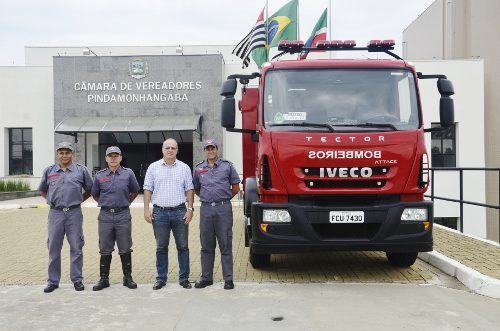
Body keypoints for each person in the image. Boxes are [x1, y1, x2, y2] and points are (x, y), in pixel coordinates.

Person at [38, 141, 93, 293]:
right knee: (53, 247)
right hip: (55, 213)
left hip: (74, 213)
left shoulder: (81, 171)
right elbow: (42, 190)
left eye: (67, 152)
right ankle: (53, 281)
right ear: (58, 154)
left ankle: (77, 280)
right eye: (61, 152)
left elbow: (90, 189)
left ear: (72, 154)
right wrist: (53, 201)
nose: (64, 155)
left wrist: (78, 200)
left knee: (76, 246)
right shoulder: (49, 171)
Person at [143, 138, 194, 290]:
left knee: (183, 247)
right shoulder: (153, 167)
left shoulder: (184, 168)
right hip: (160, 213)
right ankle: (161, 278)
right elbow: (147, 189)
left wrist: (190, 209)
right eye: (167, 148)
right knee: (161, 247)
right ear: (162, 150)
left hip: (180, 212)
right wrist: (146, 209)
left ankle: (184, 278)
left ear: (177, 150)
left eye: (173, 148)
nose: (170, 150)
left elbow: (189, 189)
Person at [91, 146, 140, 291]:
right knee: (105, 248)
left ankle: (127, 278)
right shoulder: (99, 175)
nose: (113, 158)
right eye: (110, 156)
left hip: (123, 214)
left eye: (116, 155)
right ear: (106, 158)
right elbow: (95, 194)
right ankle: (104, 279)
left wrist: (124, 203)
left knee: (125, 247)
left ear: (120, 157)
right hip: (105, 215)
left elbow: (135, 191)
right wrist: (107, 204)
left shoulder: (128, 173)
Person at [193, 139, 240, 290]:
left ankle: (228, 279)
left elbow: (235, 187)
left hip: (223, 209)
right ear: (205, 151)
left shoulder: (227, 166)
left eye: (213, 148)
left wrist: (223, 198)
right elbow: (197, 189)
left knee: (225, 244)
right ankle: (207, 278)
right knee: (206, 245)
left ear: (217, 150)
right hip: (206, 209)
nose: (210, 151)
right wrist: (209, 199)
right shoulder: (199, 169)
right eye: (208, 148)